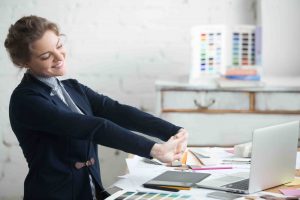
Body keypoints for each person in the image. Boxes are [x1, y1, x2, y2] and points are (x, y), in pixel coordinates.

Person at [4, 15, 188, 200]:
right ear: (24, 62)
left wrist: (172, 131)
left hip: (90, 191)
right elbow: (92, 126)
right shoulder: (26, 101)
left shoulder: (73, 88)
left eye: (59, 46)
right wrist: (155, 150)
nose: (59, 57)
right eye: (46, 56)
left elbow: (117, 111)